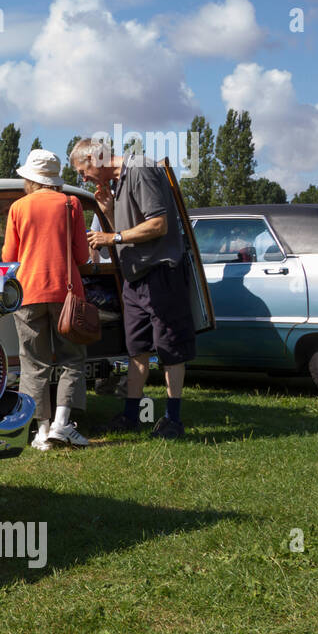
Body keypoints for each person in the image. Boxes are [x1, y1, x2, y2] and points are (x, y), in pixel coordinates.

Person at [74, 138, 195, 439]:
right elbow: (128, 231)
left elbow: (158, 226)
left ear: (93, 158)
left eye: (81, 171)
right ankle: (131, 416)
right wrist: (107, 209)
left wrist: (110, 239)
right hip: (135, 277)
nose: (83, 179)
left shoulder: (140, 168)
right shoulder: (119, 182)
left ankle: (172, 420)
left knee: (170, 347)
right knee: (137, 349)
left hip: (160, 273)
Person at [2, 149, 92, 450]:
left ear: (30, 179)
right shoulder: (71, 204)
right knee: (72, 359)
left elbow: (8, 257)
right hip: (66, 294)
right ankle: (62, 424)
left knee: (33, 363)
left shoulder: (18, 207)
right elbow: (81, 255)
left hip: (27, 292)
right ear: (53, 180)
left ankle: (41, 432)